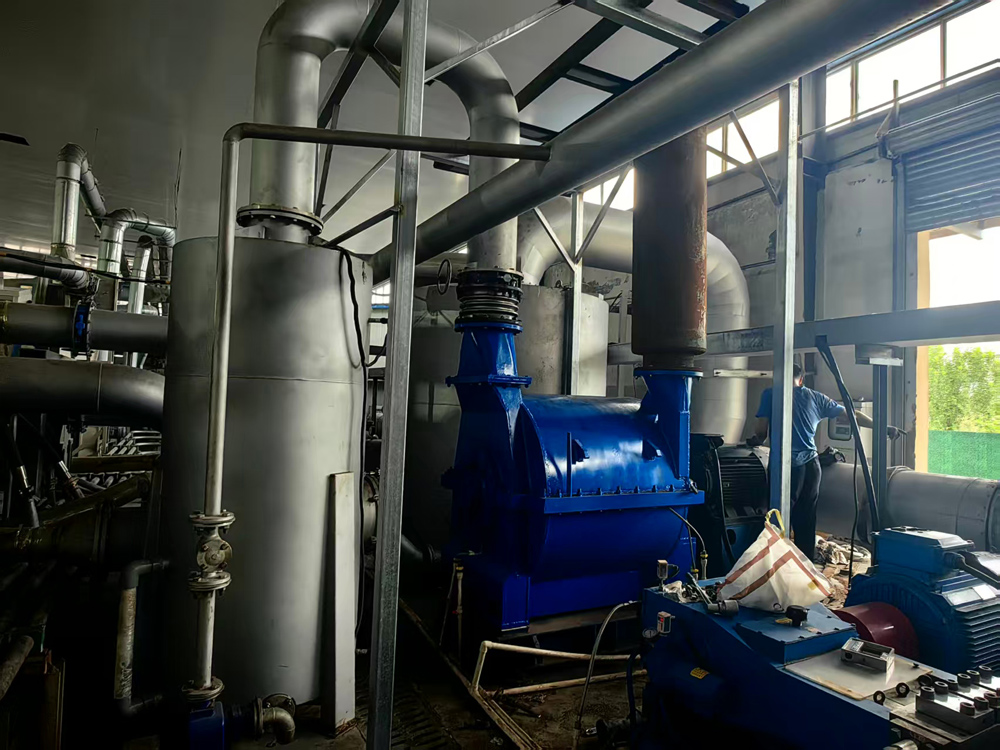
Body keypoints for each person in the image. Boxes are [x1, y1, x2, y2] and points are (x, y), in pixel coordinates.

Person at [747, 363, 900, 562]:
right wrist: (883, 427)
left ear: (778, 377)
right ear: (801, 379)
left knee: (778, 519)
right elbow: (852, 415)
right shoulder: (816, 397)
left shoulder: (770, 394)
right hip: (811, 467)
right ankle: (805, 568)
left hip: (786, 468)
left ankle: (776, 567)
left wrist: (754, 441)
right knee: (807, 521)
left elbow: (761, 432)